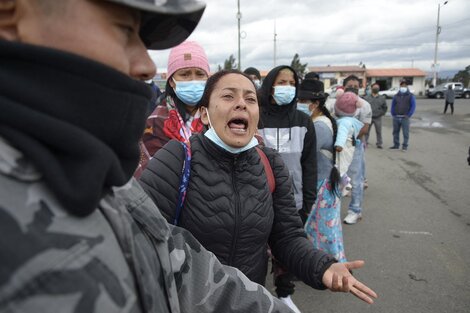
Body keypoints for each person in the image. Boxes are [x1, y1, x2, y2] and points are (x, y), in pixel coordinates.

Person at [0, 1, 345, 312]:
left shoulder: (104, 181)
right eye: (123, 29)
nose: (146, 64)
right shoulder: (176, 158)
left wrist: (316, 269)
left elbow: (176, 260)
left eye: (250, 99)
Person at [139, 70, 377, 311]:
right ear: (204, 113)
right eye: (228, 96)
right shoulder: (176, 159)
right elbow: (142, 241)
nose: (241, 104)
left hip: (250, 303)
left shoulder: (270, 164)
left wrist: (322, 266)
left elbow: (288, 237)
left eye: (250, 99)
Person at [257, 65, 318, 310]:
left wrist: (309, 199)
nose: (287, 87)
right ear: (270, 85)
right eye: (281, 82)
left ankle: (284, 294)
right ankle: (256, 292)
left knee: (288, 250)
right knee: (258, 251)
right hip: (259, 198)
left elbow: (310, 164)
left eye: (291, 82)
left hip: (294, 200)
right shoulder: (257, 116)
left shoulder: (303, 121)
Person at [298, 79, 347, 263]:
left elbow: (302, 153)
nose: (299, 105)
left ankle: (329, 265)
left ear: (315, 103)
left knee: (322, 228)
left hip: (321, 184)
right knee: (325, 227)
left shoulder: (319, 126)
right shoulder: (320, 121)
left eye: (303, 101)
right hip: (325, 181)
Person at [141, 40, 209, 163]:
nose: (193, 81)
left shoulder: (218, 117)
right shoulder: (155, 122)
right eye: (185, 74)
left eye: (200, 74)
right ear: (171, 81)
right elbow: (152, 172)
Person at [341, 75, 372, 225]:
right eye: (349, 85)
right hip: (339, 146)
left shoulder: (364, 105)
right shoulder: (337, 103)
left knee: (356, 180)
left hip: (355, 145)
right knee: (339, 176)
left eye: (355, 85)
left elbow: (364, 128)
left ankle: (355, 210)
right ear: (344, 87)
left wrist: (348, 139)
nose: (352, 88)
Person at [334, 90, 364, 196]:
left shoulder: (344, 122)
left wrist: (339, 145)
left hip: (343, 148)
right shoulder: (351, 120)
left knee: (339, 166)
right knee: (343, 166)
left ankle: (345, 184)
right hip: (350, 147)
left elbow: (342, 134)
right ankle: (345, 181)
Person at [389, 80, 416, 151]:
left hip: (405, 117)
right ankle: (396, 145)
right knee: (395, 132)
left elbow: (413, 106)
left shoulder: (410, 96)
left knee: (405, 133)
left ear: (407, 87)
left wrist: (408, 115)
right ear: (400, 86)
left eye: (405, 86)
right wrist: (393, 113)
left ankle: (405, 146)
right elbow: (393, 105)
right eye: (402, 86)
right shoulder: (396, 96)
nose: (403, 87)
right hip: (396, 117)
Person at [364, 83, 387, 149]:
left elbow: (385, 107)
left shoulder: (382, 98)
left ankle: (379, 143)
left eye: (377, 88)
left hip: (378, 117)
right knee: (366, 131)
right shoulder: (366, 97)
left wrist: (382, 113)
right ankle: (365, 142)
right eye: (374, 87)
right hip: (369, 117)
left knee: (378, 131)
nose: (376, 89)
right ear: (372, 88)